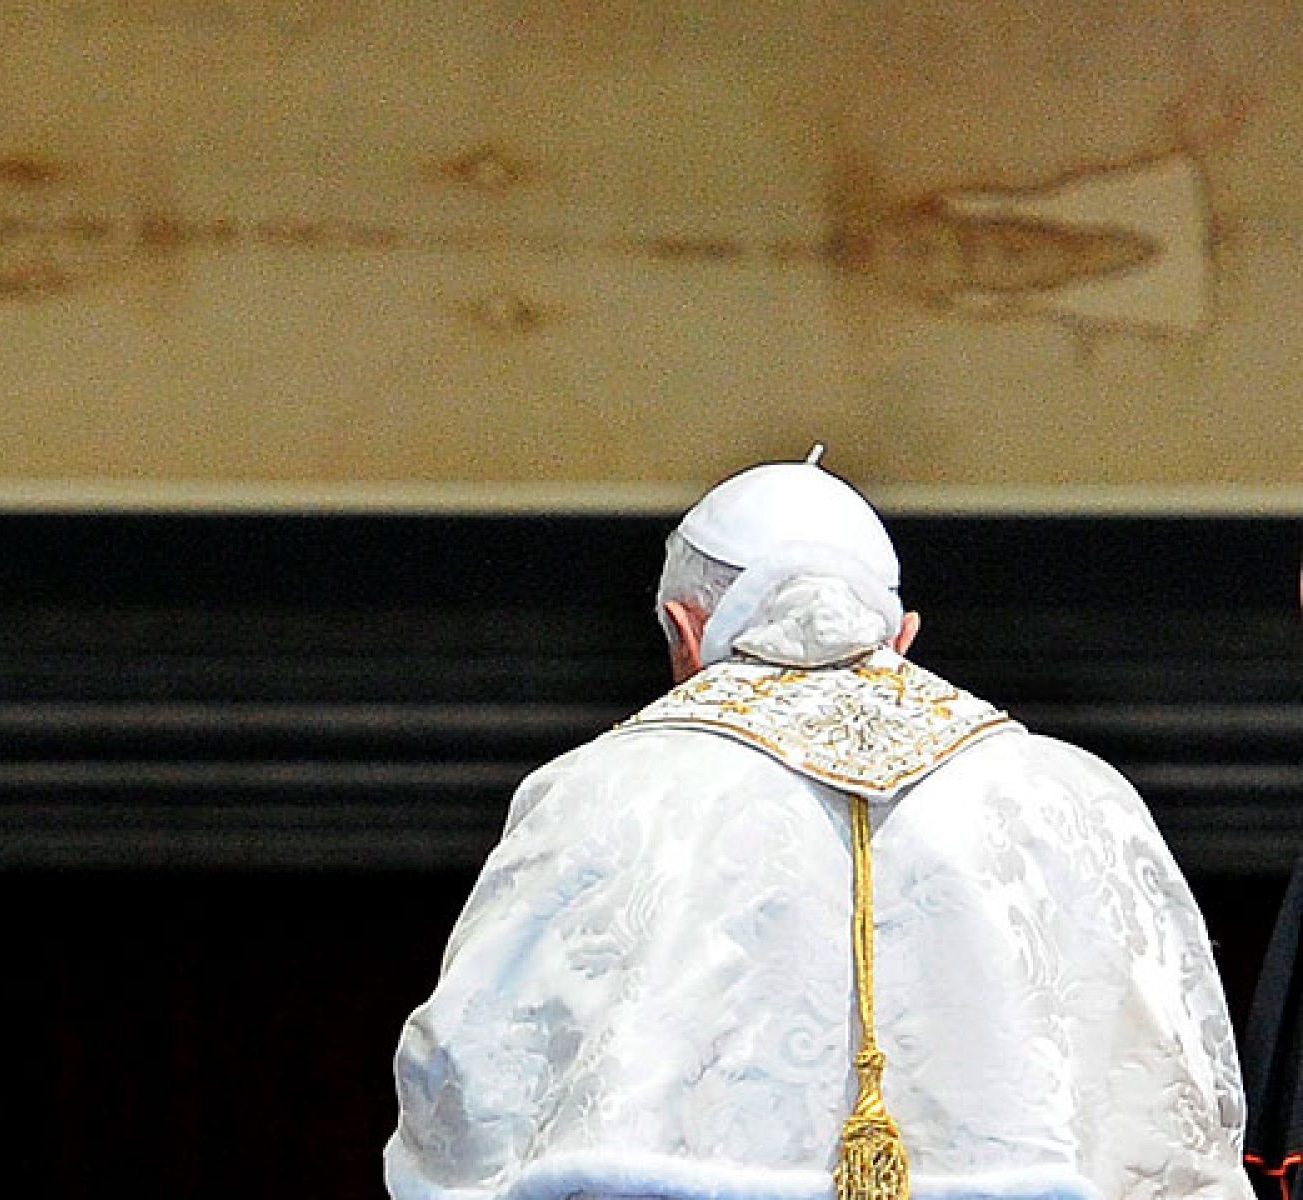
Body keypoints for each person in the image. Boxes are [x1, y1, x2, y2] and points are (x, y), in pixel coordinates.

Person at [386, 451, 1253, 1200]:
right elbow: (1180, 1118)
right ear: (902, 635)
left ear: (684, 633)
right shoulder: (1074, 795)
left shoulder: (600, 792)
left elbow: (467, 1091)